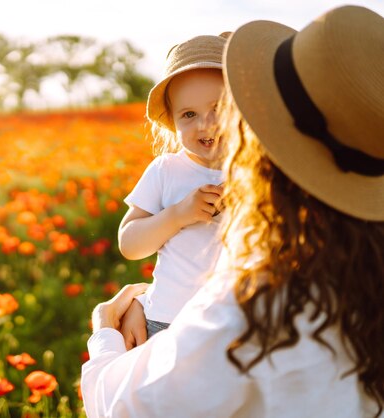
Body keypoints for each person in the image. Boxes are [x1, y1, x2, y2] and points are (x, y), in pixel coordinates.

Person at [82, 5, 384, 418]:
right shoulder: (357, 275)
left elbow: (123, 406)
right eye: (189, 114)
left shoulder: (250, 310)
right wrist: (148, 295)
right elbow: (139, 241)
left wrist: (105, 331)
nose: (212, 127)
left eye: (232, 111)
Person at [118, 33, 228, 348]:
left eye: (218, 107)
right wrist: (178, 215)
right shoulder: (167, 170)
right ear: (173, 122)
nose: (205, 125)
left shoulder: (257, 170)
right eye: (189, 114)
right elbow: (130, 244)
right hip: (167, 321)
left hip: (236, 322)